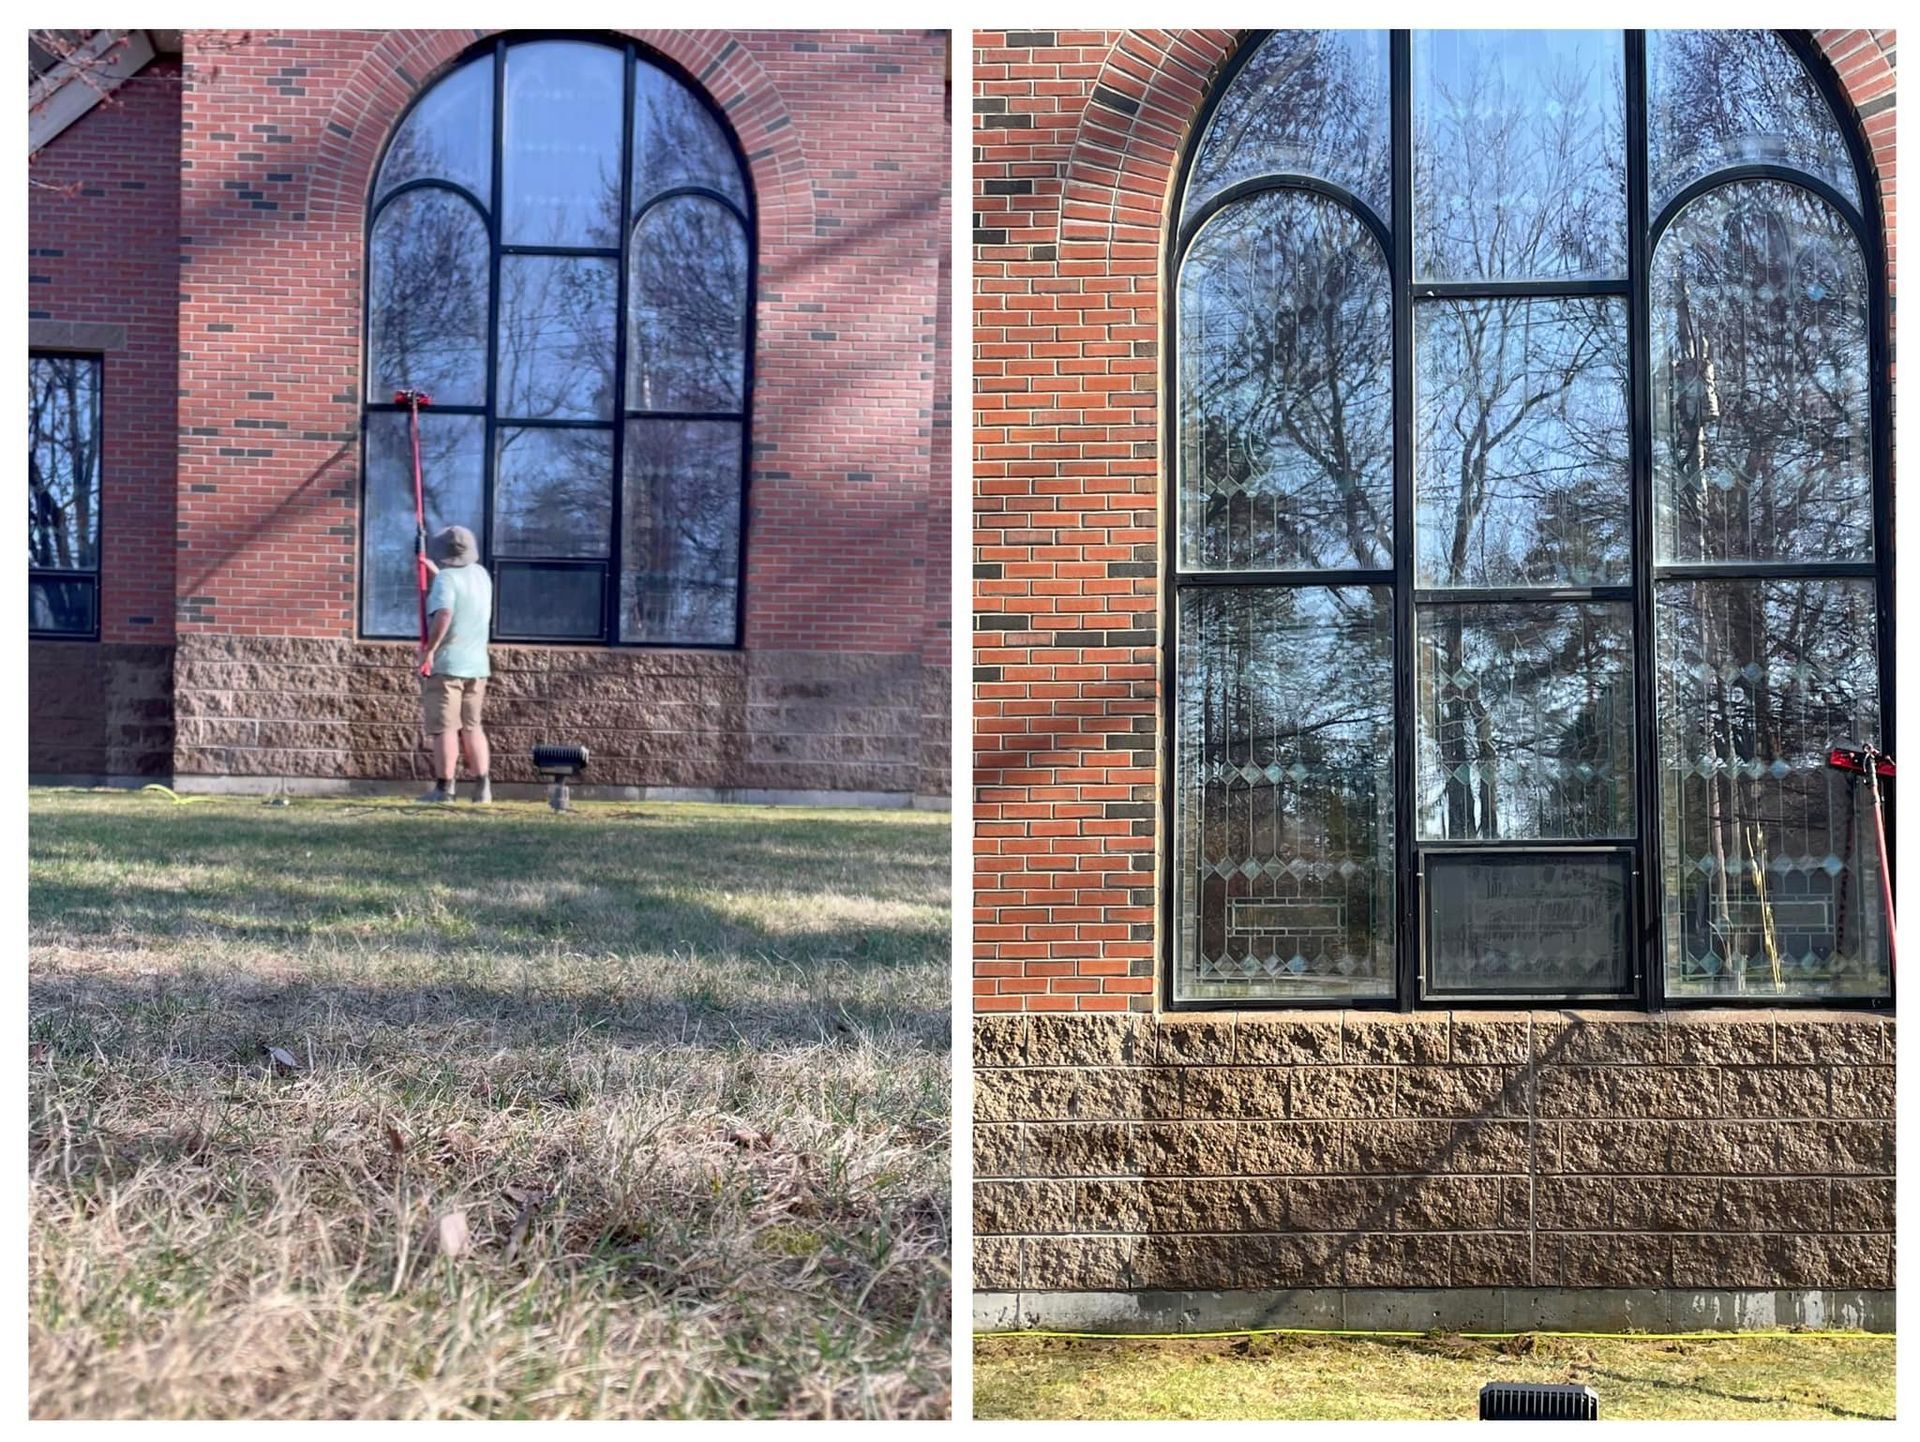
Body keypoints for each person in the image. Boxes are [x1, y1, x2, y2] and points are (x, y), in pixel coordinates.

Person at [415, 525, 493, 805]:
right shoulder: (481, 575)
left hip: (448, 665)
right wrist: (435, 574)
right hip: (477, 666)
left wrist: (429, 650)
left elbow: (445, 612)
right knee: (472, 726)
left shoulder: (447, 579)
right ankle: (482, 788)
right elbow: (461, 596)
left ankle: (444, 789)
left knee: (445, 728)